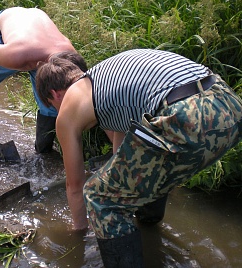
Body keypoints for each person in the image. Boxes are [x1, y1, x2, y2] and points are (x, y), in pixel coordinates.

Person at [36, 49, 242, 267]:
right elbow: (127, 156)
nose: (58, 111)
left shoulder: (70, 104)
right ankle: (148, 224)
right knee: (140, 170)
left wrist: (78, 235)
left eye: (53, 106)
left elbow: (75, 186)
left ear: (55, 94)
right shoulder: (110, 83)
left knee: (100, 199)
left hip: (187, 113)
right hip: (228, 103)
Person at [0, 7, 86, 153]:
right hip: (2, 34)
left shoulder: (72, 63)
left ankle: (44, 151)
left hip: (37, 35)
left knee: (50, 107)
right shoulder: (15, 57)